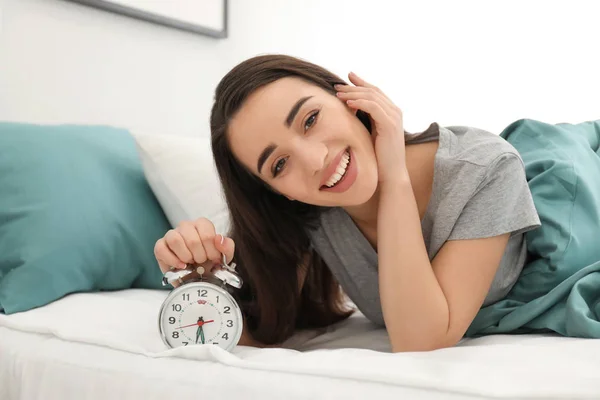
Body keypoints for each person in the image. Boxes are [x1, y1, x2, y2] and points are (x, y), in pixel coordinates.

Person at [153, 54, 541, 352]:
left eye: (309, 120)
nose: (316, 159)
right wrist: (199, 285)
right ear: (277, 192)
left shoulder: (484, 168)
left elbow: (421, 341)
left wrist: (394, 176)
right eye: (280, 164)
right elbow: (256, 331)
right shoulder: (312, 215)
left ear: (349, 100)